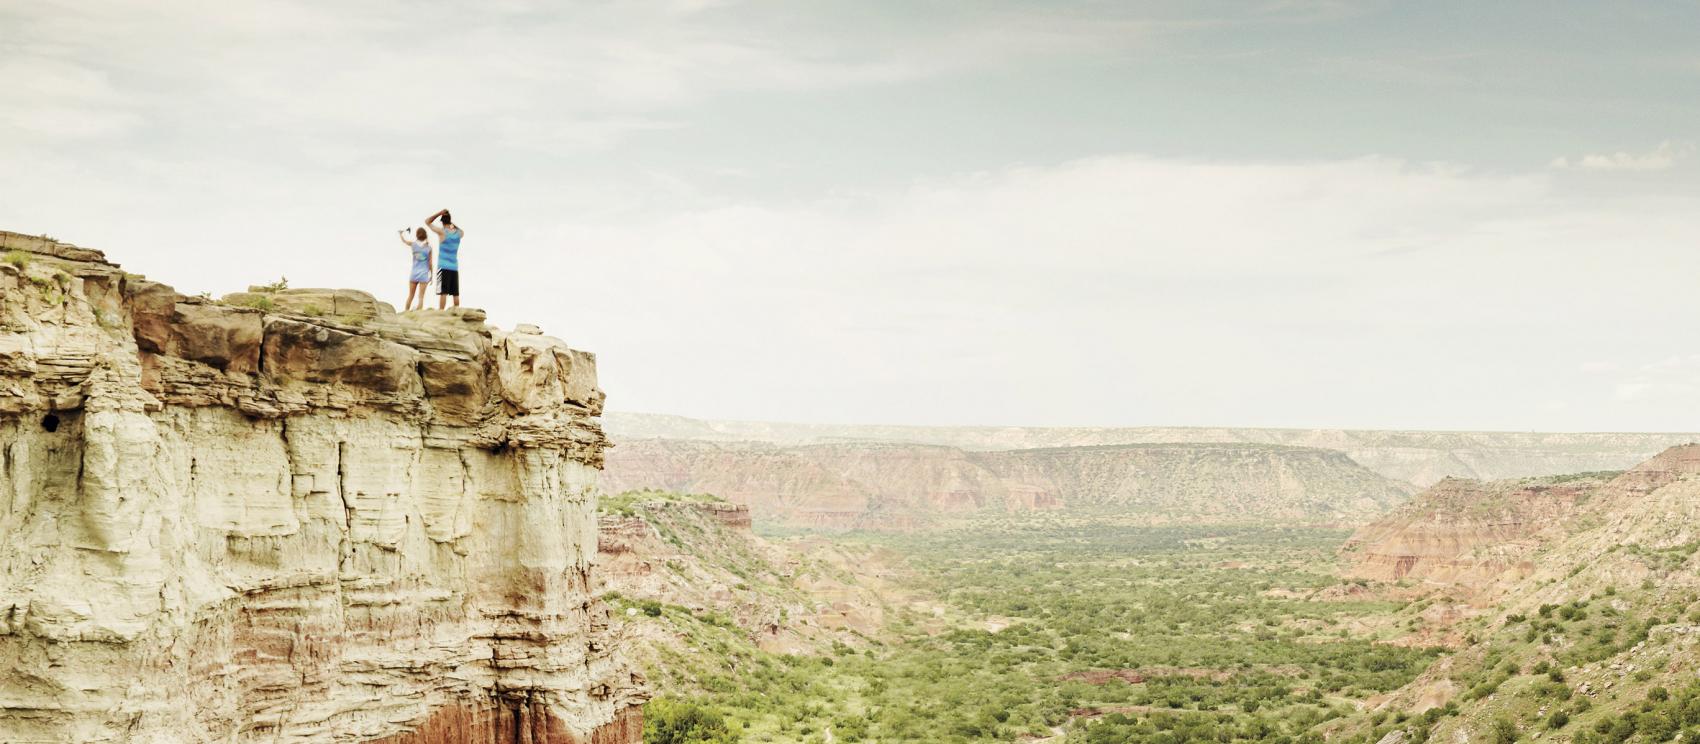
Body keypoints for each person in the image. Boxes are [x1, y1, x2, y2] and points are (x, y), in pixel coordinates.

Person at [424, 208, 464, 309]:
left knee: (443, 293)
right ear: (450, 221)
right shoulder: (458, 233)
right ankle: (457, 312)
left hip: (443, 266)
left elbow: (427, 221)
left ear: (442, 222)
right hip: (454, 267)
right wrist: (451, 223)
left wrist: (439, 213)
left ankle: (441, 312)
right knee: (455, 294)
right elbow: (461, 231)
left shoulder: (442, 232)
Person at [396, 227, 432, 311]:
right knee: (421, 297)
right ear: (425, 235)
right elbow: (430, 263)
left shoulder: (413, 245)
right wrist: (431, 275)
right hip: (424, 274)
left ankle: (406, 311)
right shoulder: (429, 248)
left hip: (414, 273)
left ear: (417, 235)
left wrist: (401, 234)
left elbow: (404, 241)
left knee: (411, 296)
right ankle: (418, 312)